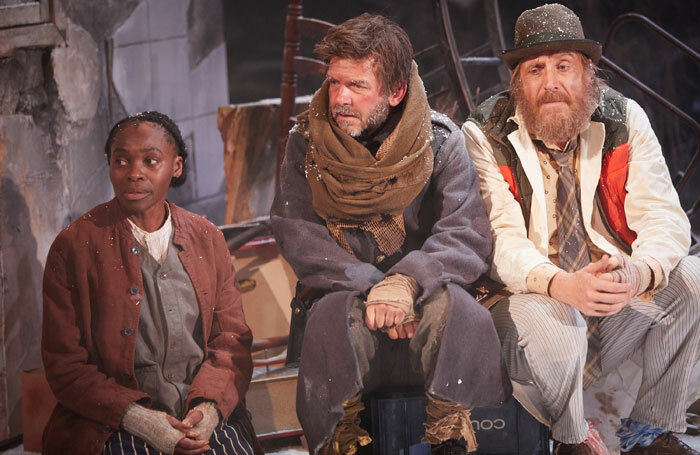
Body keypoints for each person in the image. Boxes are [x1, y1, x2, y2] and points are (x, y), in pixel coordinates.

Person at [462, 4, 700, 455]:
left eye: (564, 66)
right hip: (530, 304)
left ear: (588, 74)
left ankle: (651, 434)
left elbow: (664, 216)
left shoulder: (623, 119)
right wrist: (561, 285)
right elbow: (501, 240)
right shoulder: (484, 133)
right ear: (518, 82)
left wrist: (640, 272)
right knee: (557, 317)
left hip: (609, 301)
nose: (551, 82)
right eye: (536, 69)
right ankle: (572, 441)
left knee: (694, 279)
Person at [271, 13, 511, 455]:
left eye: (357, 86)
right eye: (334, 82)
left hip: (423, 302)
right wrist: (375, 288)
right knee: (331, 318)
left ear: (395, 91)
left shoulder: (439, 141)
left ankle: (448, 437)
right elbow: (298, 231)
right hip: (344, 297)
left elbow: (464, 231)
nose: (339, 98)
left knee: (463, 313)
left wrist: (407, 282)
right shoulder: (306, 143)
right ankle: (342, 442)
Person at [42, 112, 261, 455]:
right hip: (112, 422)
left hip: (198, 414)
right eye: (121, 161)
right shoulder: (74, 246)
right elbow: (65, 365)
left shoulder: (207, 239)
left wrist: (209, 411)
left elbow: (230, 343)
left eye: (150, 160)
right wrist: (141, 420)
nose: (134, 173)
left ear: (175, 166)